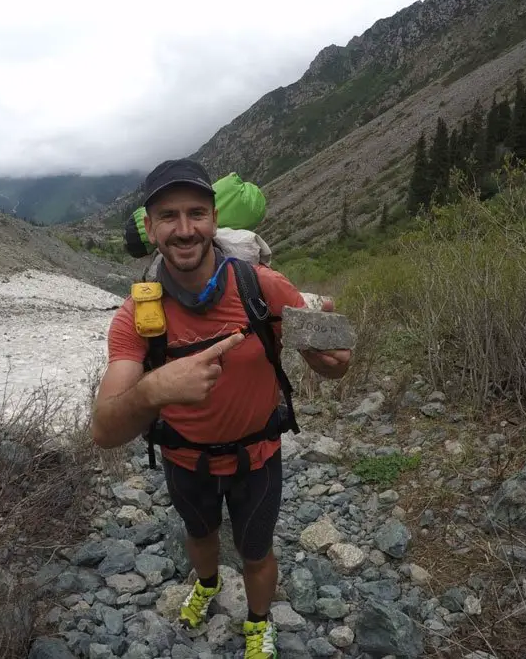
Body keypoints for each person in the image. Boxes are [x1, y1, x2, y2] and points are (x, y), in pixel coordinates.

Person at [92, 158, 351, 659]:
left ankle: (258, 624)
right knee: (199, 533)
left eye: (196, 213)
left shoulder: (262, 287)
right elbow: (103, 430)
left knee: (256, 552)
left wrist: (331, 361)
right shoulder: (137, 317)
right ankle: (207, 585)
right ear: (150, 227)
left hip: (257, 458)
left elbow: (332, 364)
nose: (185, 229)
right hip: (185, 460)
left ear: (214, 218)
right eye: (168, 216)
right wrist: (156, 388)